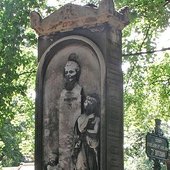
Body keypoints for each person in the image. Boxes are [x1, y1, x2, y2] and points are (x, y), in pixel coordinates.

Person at [58, 53, 84, 169]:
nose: (69, 75)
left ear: (77, 73)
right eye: (67, 72)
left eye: (71, 72)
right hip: (63, 136)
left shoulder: (79, 91)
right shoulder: (63, 93)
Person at [72, 93, 100, 170]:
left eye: (90, 103)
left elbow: (95, 131)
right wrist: (88, 119)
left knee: (91, 164)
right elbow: (81, 129)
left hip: (91, 145)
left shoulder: (97, 119)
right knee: (81, 165)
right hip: (82, 146)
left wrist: (86, 132)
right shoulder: (81, 117)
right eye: (86, 102)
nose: (87, 104)